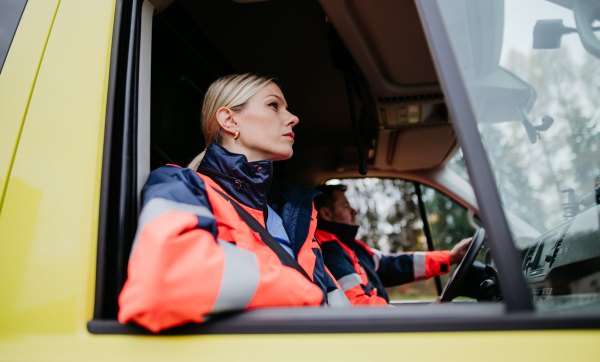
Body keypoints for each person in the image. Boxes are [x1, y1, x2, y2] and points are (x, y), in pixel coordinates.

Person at [118, 74, 349, 333]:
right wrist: (307, 294)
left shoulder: (293, 216)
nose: (293, 118)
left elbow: (339, 306)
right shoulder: (180, 184)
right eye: (274, 105)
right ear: (229, 120)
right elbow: (167, 277)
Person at [314, 184, 473, 306]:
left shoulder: (352, 246)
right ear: (326, 213)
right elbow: (357, 305)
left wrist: (450, 257)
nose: (354, 211)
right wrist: (416, 318)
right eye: (346, 207)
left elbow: (392, 265)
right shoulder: (328, 251)